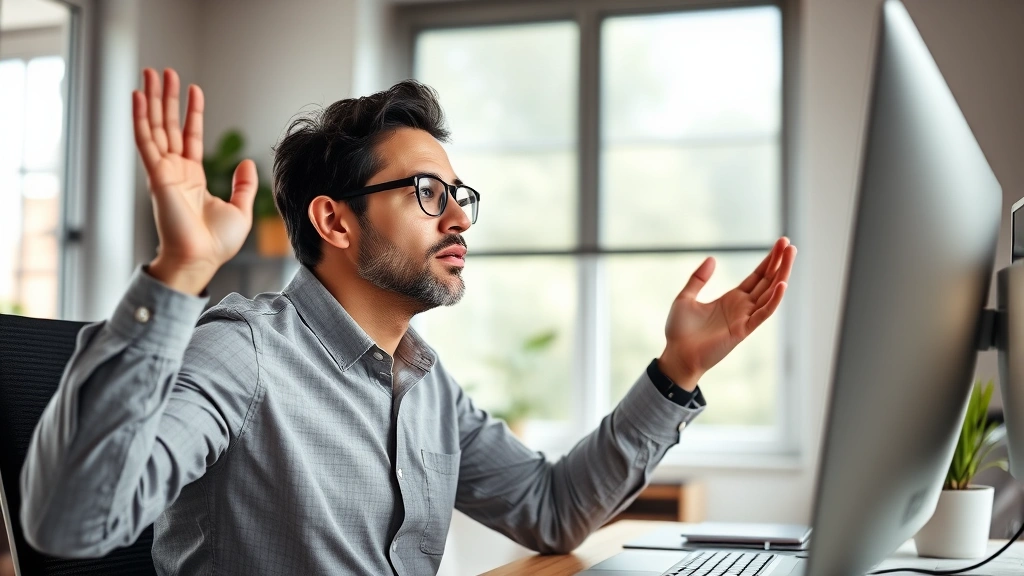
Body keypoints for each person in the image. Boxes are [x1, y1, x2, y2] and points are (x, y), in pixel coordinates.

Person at [19, 68, 796, 575]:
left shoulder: (424, 384)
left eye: (461, 194)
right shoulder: (243, 351)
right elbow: (71, 522)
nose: (459, 216)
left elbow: (552, 511)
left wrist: (678, 372)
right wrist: (180, 272)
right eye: (428, 192)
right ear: (336, 222)